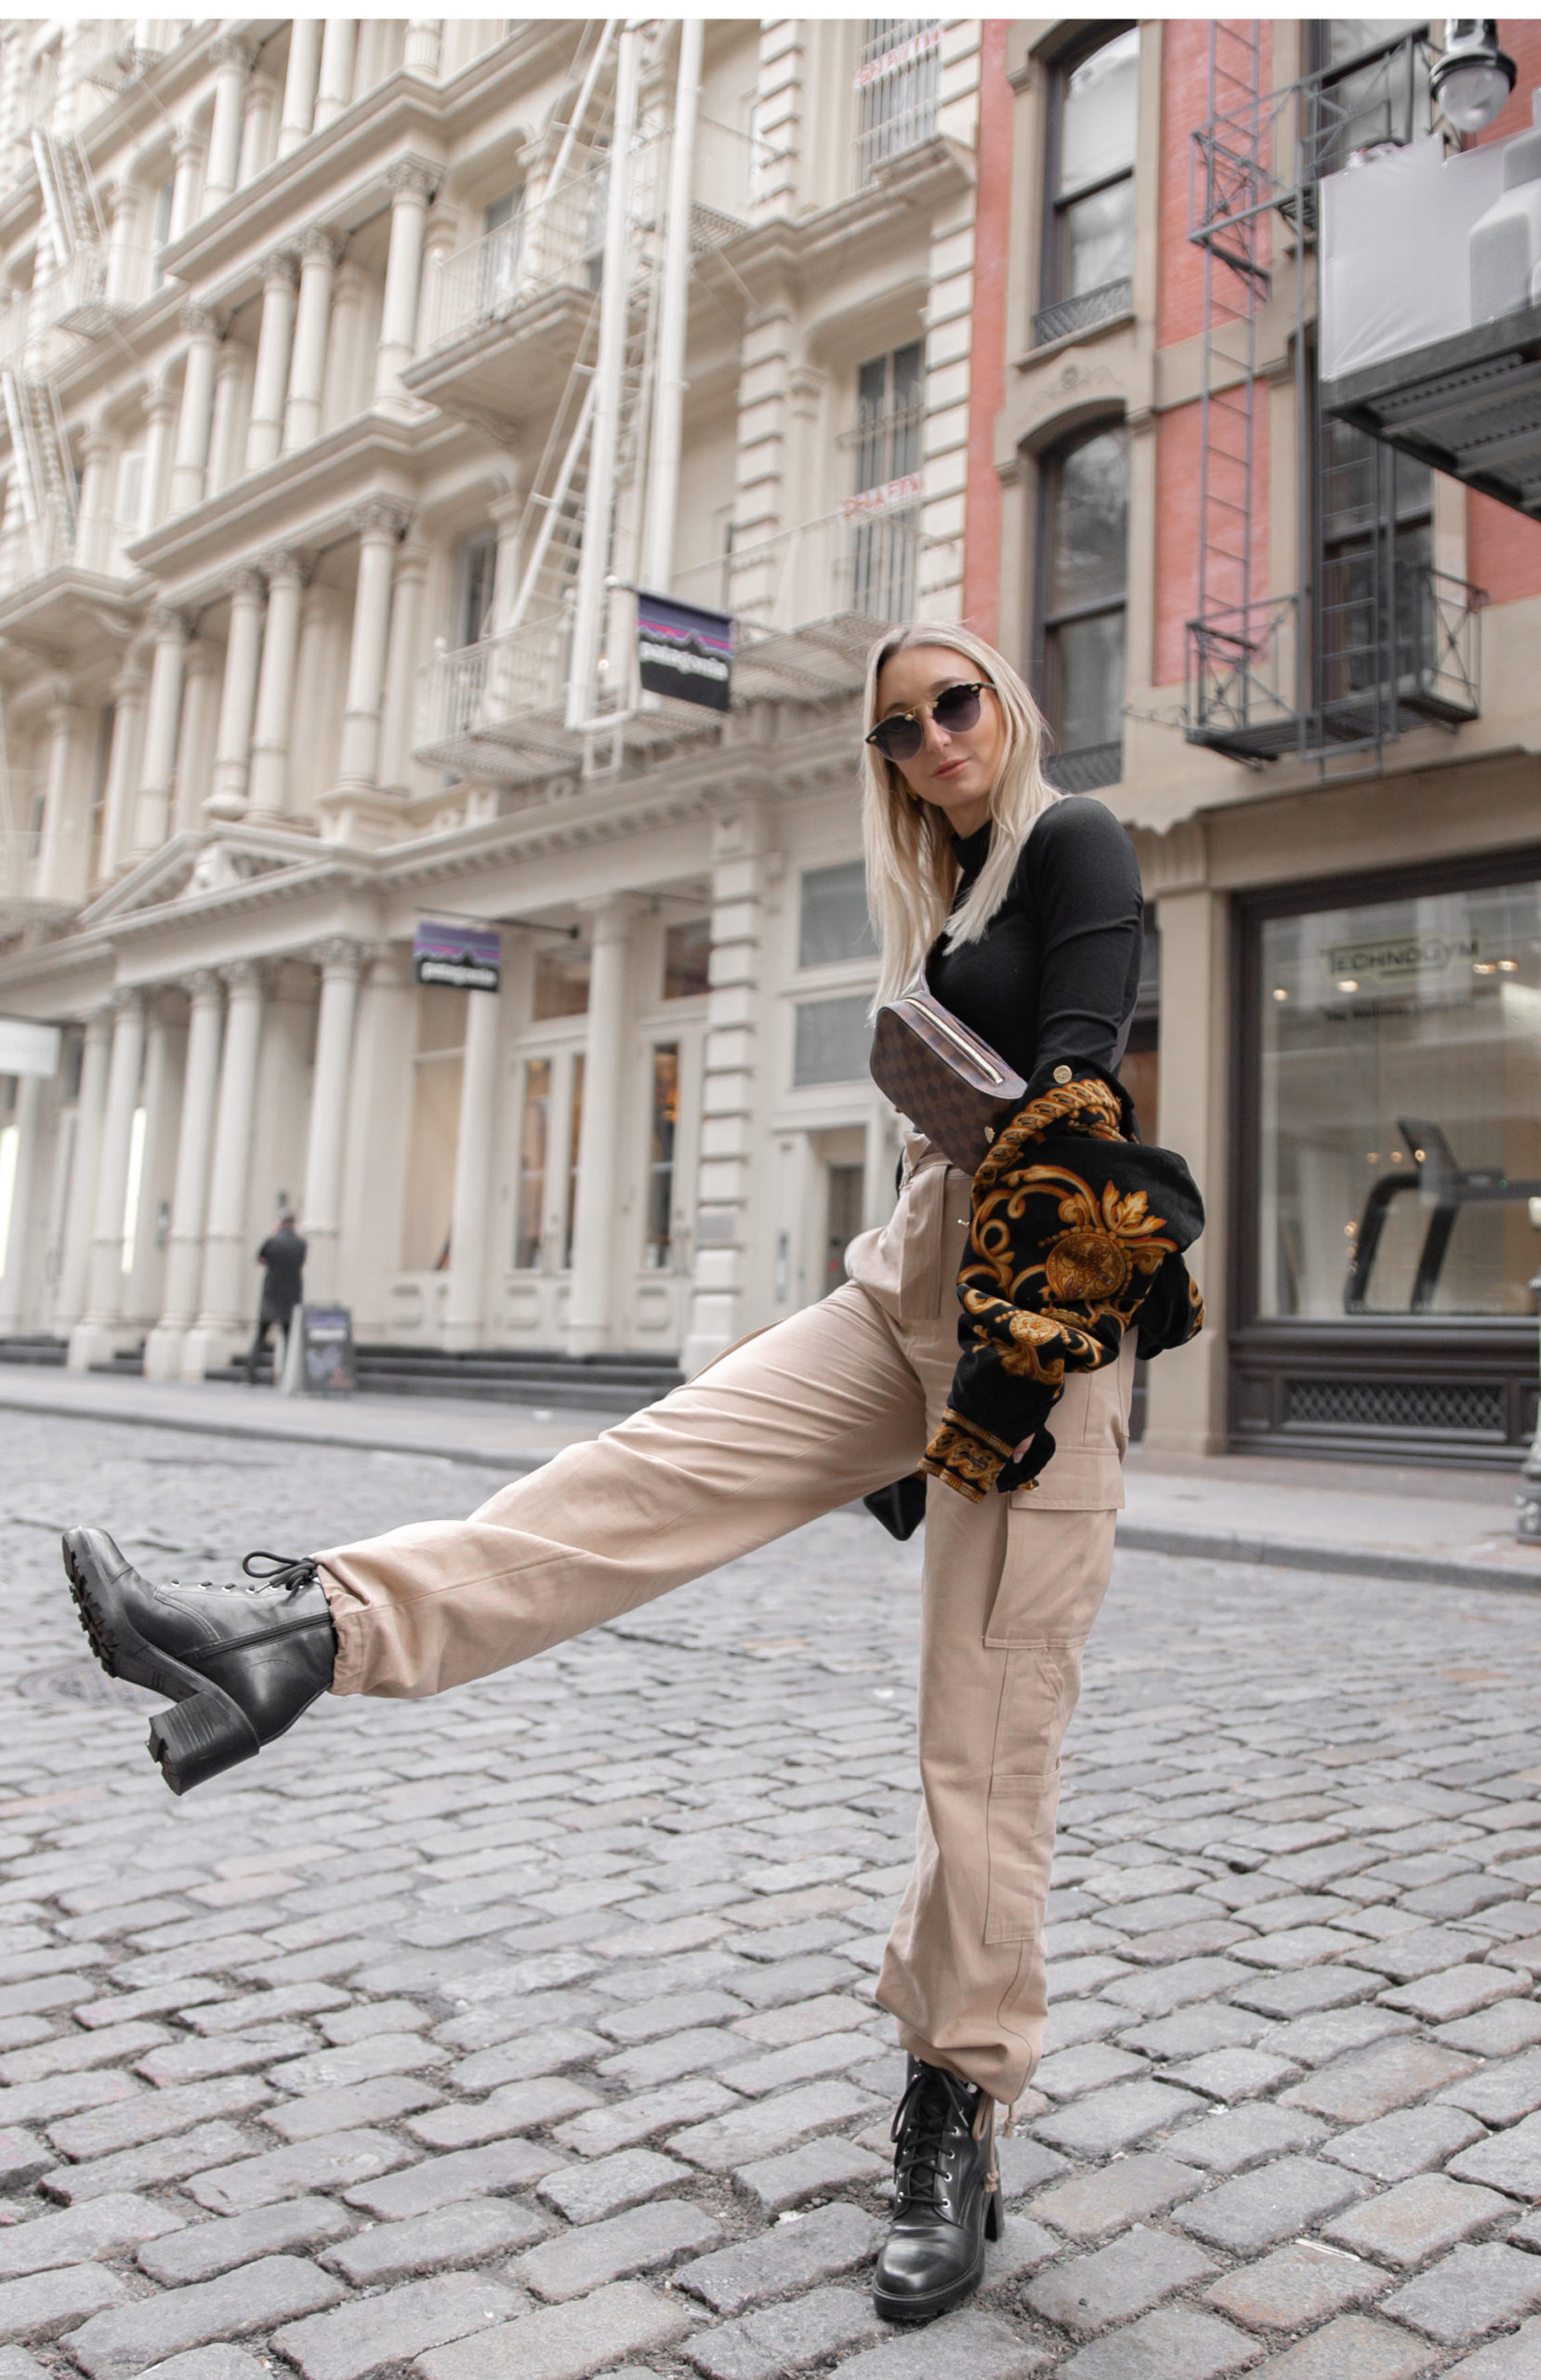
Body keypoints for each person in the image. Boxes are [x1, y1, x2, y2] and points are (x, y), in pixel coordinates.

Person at [58, 624, 1202, 2329]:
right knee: (640, 1473)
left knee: (984, 1733)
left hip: (1035, 1312)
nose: (932, 738)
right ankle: (304, 1628)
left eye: (954, 703)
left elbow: (1080, 1079)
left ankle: (954, 2098)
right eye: (898, 727)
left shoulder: (1074, 840)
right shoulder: (950, 888)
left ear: (1006, 704)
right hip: (908, 1274)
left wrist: (1007, 1368)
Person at [244, 1211, 308, 1384]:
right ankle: (287, 1376)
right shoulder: (301, 1243)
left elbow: (261, 1259)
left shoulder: (272, 1241)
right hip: (292, 1295)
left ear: (280, 1223)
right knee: (289, 1338)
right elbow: (301, 1262)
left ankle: (250, 1375)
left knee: (261, 1336)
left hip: (271, 1294)